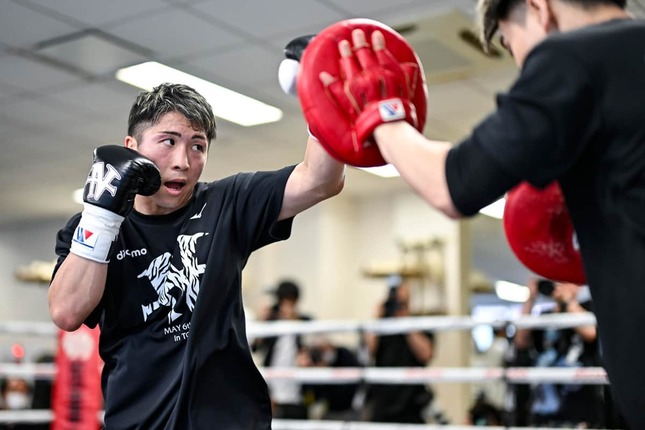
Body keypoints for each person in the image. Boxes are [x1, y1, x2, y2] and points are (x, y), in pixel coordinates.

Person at [312, 0, 645, 426]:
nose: (522, 63)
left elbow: (454, 185)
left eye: (511, 42)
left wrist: (382, 114)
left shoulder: (573, 57)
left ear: (538, 8)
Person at [48, 82, 345, 429]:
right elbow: (66, 312)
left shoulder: (227, 202)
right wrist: (102, 218)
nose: (183, 162)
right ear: (132, 147)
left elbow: (320, 180)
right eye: (168, 141)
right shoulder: (91, 228)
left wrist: (325, 101)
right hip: (139, 421)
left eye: (198, 146)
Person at [511, 279, 604, 427]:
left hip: (579, 408)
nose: (558, 286)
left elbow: (590, 333)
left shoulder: (586, 309)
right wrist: (529, 300)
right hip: (544, 409)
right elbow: (521, 342)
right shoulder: (543, 315)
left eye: (565, 281)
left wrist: (568, 301)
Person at [363, 278, 437, 424]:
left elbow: (426, 354)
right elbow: (369, 349)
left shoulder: (420, 323)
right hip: (382, 399)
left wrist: (405, 321)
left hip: (411, 401)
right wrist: (377, 317)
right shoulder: (382, 325)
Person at [253, 280, 311, 419]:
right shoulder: (272, 322)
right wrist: (263, 322)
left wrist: (294, 319)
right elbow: (255, 347)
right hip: (273, 387)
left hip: (296, 390)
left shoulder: (304, 321)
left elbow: (311, 347)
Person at [298, 335, 362, 421]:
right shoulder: (314, 367)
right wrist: (307, 373)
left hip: (349, 409)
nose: (322, 353)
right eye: (319, 350)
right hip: (329, 411)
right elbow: (309, 400)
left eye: (324, 348)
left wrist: (329, 367)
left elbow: (357, 381)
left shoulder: (343, 355)